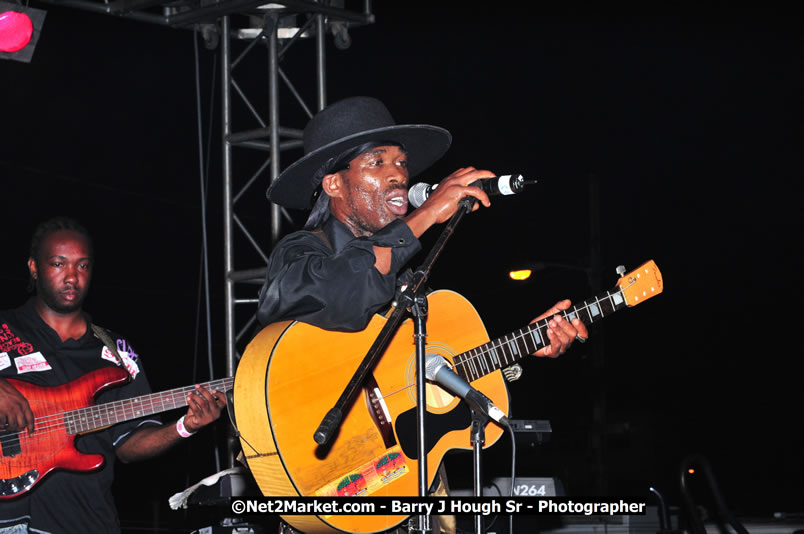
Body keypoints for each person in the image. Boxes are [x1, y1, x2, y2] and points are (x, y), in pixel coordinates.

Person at [256, 96, 589, 533]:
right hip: (338, 484)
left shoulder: (407, 277)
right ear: (334, 184)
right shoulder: (302, 253)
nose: (398, 174)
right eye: (377, 163)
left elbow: (422, 382)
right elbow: (341, 290)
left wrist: (522, 348)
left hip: (415, 494)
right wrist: (429, 214)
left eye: (401, 162)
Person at [0, 217, 226, 534]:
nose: (71, 277)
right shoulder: (4, 328)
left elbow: (128, 445)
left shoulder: (117, 352)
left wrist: (185, 427)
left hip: (87, 522)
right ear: (34, 268)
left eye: (82, 266)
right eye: (58, 264)